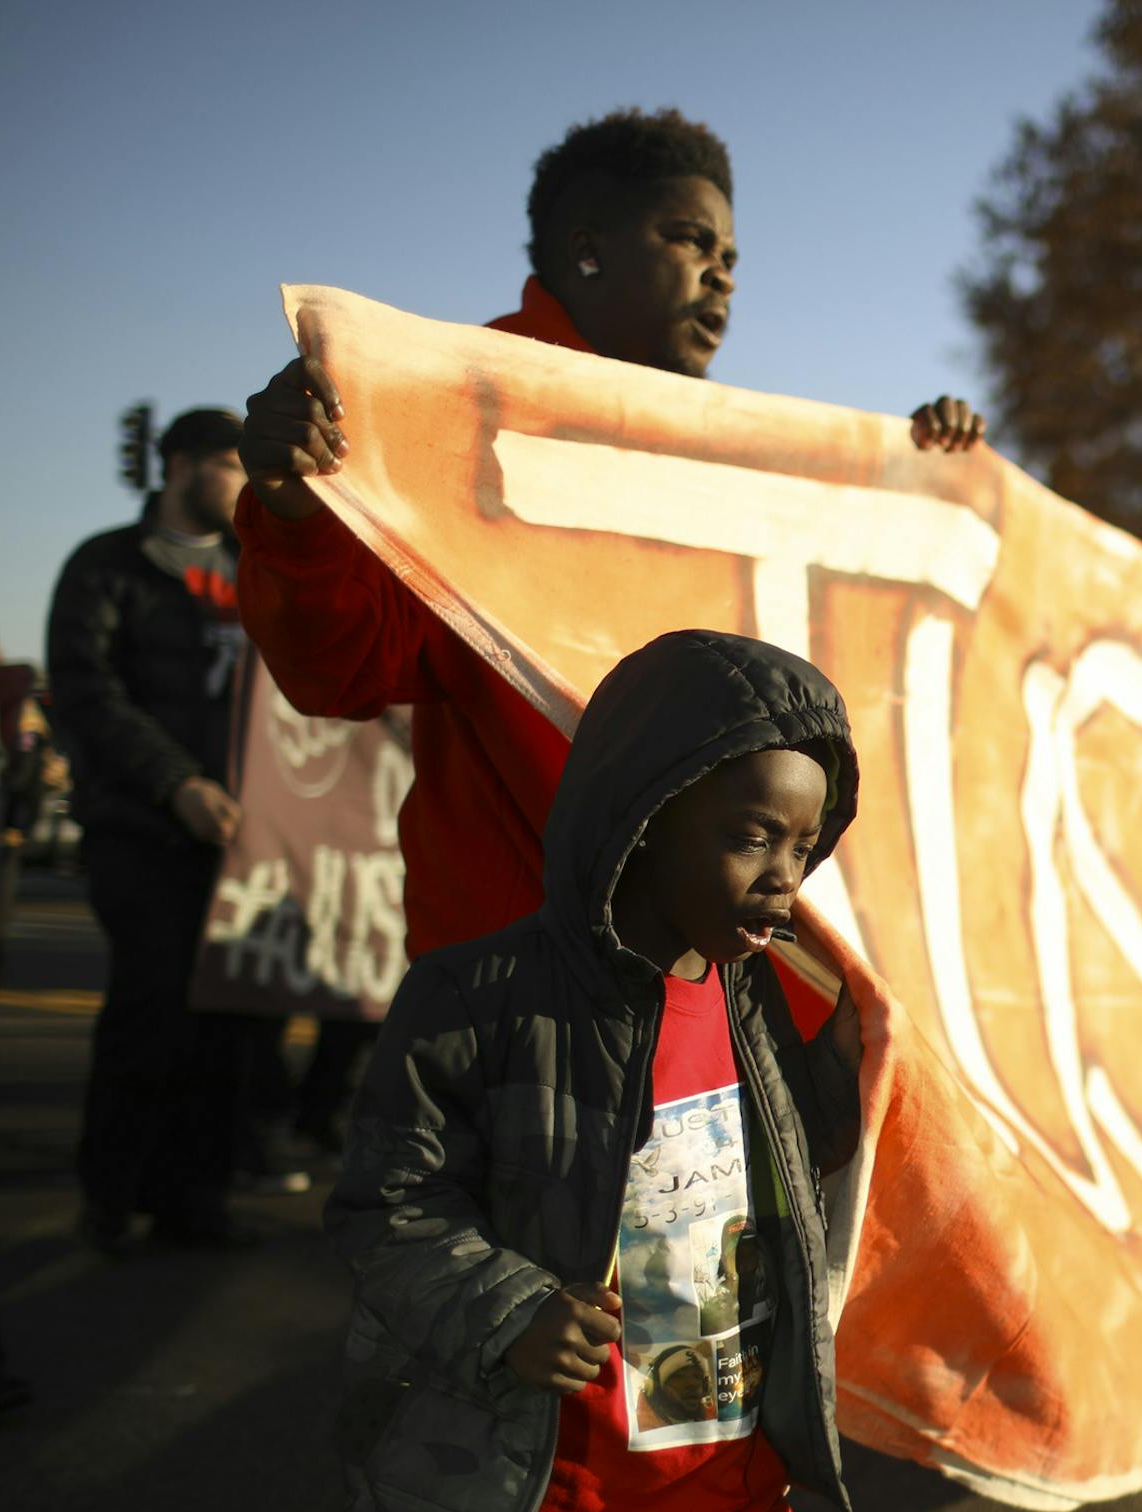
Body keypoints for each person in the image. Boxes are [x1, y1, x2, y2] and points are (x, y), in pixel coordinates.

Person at [235, 105, 984, 969]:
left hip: (702, 983)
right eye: (691, 241)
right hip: (519, 980)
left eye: (732, 257)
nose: (722, 276)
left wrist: (929, 475)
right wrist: (295, 511)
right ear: (589, 248)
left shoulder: (718, 457)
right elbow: (340, 669)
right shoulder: (448, 414)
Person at [328, 629, 863, 1512]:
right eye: (754, 837)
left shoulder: (755, 999)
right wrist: (509, 1310)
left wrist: (844, 1069)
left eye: (803, 850)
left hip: (705, 1454)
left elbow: (788, 1166)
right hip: (518, 1458)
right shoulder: (472, 996)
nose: (783, 880)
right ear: (646, 818)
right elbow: (386, 1202)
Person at [46, 407, 280, 1251]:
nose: (243, 485)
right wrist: (173, 781)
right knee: (150, 1011)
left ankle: (197, 1198)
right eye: (229, 466)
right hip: (140, 832)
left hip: (240, 838)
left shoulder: (254, 569)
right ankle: (112, 1194)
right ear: (179, 466)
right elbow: (84, 690)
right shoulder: (109, 566)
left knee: (228, 1022)